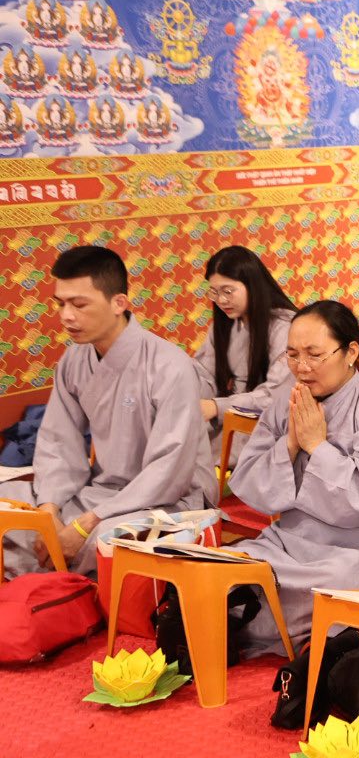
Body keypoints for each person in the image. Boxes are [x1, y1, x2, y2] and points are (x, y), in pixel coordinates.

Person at [227, 301, 359, 655]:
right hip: (290, 539)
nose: (302, 367)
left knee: (339, 581)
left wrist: (316, 446)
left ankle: (254, 625)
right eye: (292, 355)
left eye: (314, 355)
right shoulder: (286, 401)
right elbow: (248, 480)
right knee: (228, 564)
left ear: (350, 352)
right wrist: (290, 444)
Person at [1, 246, 213, 577]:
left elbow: (170, 470)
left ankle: (52, 574)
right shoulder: (74, 361)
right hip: (101, 491)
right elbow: (58, 443)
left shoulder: (170, 366)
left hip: (168, 499)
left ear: (119, 303)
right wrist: (49, 510)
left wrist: (87, 523)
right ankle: (55, 570)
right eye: (61, 304)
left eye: (79, 304)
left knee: (105, 539)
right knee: (9, 503)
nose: (66, 316)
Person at [191, 246, 296, 447]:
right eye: (215, 292)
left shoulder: (285, 327)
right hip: (231, 415)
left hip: (270, 423)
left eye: (228, 291)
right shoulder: (224, 326)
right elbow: (203, 373)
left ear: (252, 285)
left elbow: (276, 395)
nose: (221, 300)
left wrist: (217, 407)